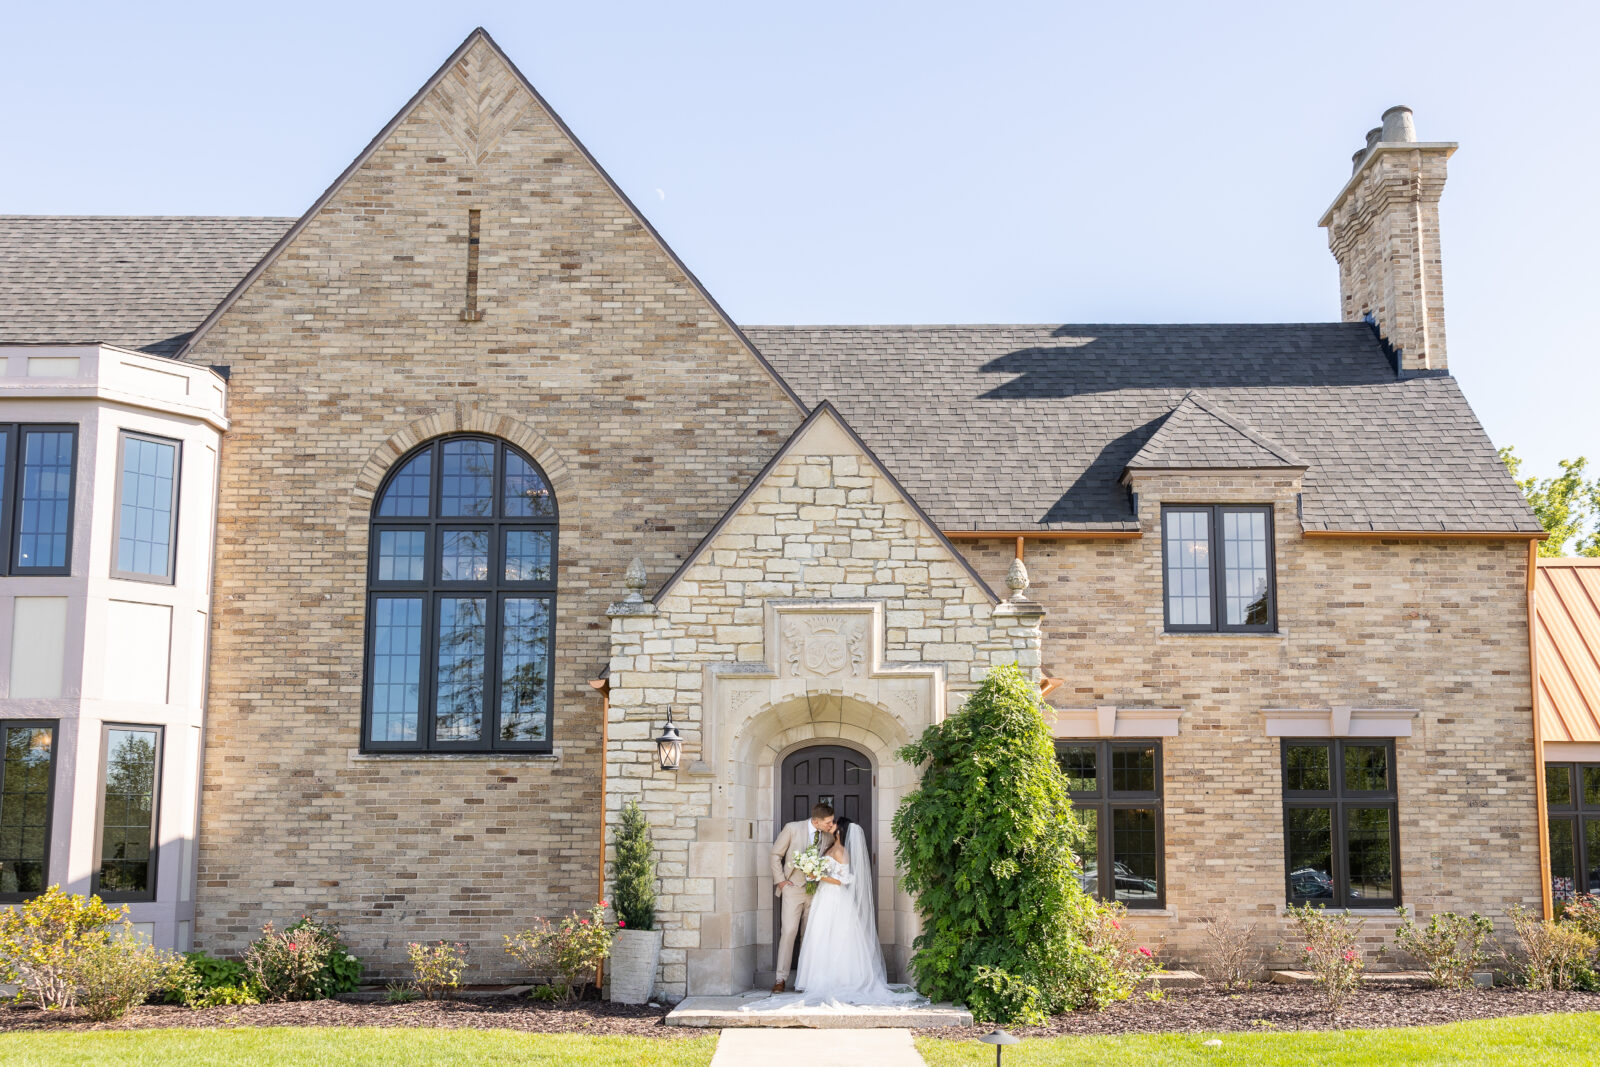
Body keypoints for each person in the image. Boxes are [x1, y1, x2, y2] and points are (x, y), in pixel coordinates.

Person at [743, 814, 928, 1011]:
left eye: (834, 825)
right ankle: (808, 980)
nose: (830, 826)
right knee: (820, 938)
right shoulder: (829, 845)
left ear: (841, 830)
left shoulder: (842, 851)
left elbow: (845, 879)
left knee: (835, 939)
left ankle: (836, 981)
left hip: (835, 898)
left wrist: (819, 875)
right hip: (822, 897)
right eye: (829, 823)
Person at [768, 802, 834, 994]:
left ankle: (806, 980)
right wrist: (781, 882)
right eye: (828, 822)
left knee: (810, 935)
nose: (830, 825)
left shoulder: (828, 835)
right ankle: (781, 978)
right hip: (793, 889)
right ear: (816, 821)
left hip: (816, 892)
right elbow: (775, 855)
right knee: (789, 931)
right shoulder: (792, 828)